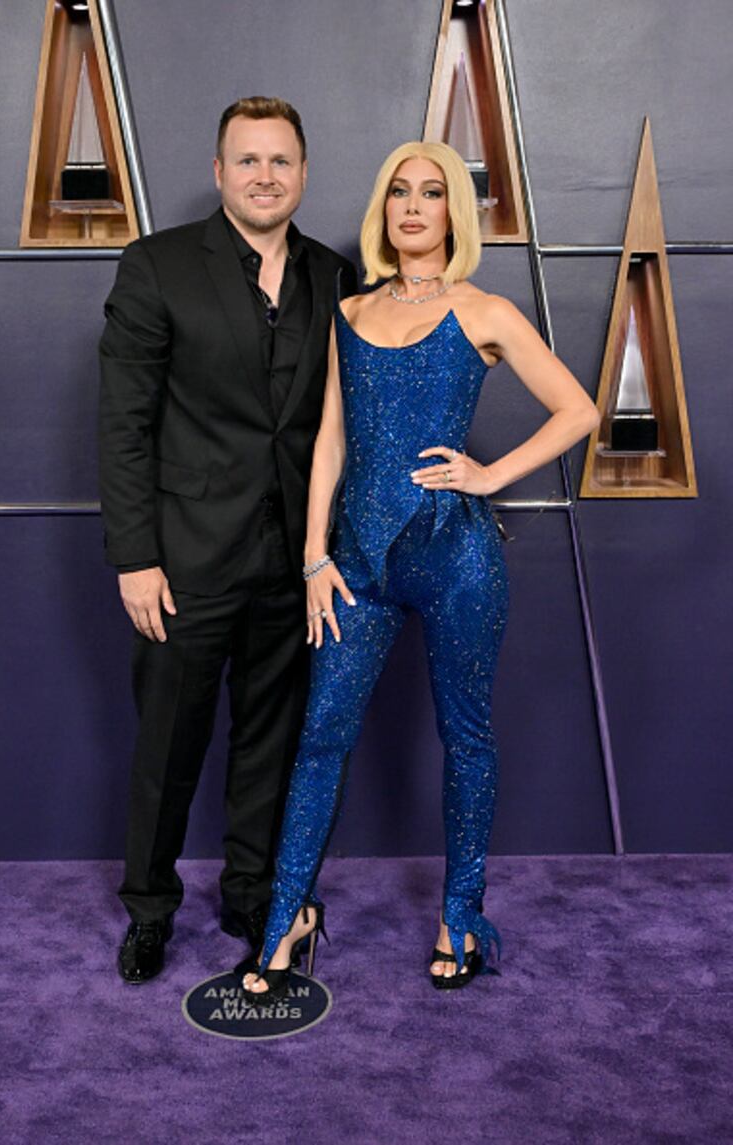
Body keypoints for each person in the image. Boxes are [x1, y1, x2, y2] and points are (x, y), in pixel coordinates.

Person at [239, 140, 599, 1002]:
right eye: (399, 190)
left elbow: (579, 409)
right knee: (321, 735)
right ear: (384, 207)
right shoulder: (349, 311)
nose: (411, 206)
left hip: (456, 557)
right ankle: (287, 918)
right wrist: (315, 555)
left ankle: (459, 918)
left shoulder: (485, 311)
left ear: (452, 213)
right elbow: (331, 440)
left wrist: (488, 473)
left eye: (431, 192)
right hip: (356, 561)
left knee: (466, 736)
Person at [99, 96, 357, 984]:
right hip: (184, 561)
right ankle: (149, 910)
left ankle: (252, 895)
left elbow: (338, 422)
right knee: (168, 747)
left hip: (295, 563)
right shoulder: (158, 265)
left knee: (270, 745)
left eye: (281, 161)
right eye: (248, 160)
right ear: (219, 172)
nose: (264, 176)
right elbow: (123, 425)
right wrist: (136, 556)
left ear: (304, 173)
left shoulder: (335, 276)